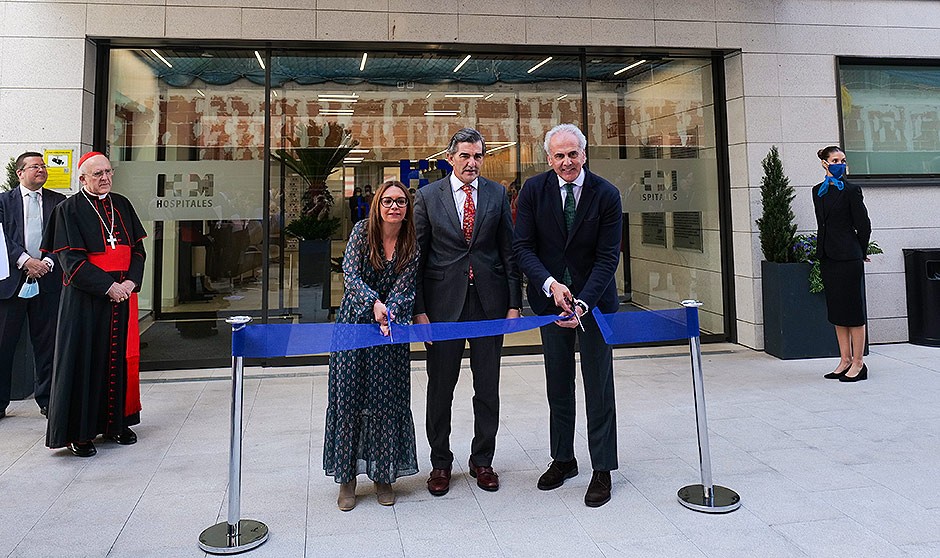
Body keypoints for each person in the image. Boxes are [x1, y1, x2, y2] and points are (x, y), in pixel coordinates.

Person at [513, 123, 623, 507]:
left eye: (572, 154)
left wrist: (582, 302)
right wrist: (551, 287)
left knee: (598, 386)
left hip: (593, 306)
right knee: (558, 386)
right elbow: (523, 248)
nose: (566, 161)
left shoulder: (606, 194)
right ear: (549, 159)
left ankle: (603, 468)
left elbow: (609, 257)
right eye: (558, 155)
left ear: (584, 154)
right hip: (551, 304)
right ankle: (563, 459)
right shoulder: (533, 191)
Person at [413, 128, 522, 496]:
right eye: (465, 156)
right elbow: (418, 258)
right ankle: (440, 463)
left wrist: (513, 303)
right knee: (441, 389)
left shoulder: (495, 193)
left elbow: (508, 251)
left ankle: (482, 460)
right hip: (443, 307)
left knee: (487, 387)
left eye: (478, 156)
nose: (472, 162)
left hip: (488, 304)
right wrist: (420, 311)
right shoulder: (428, 196)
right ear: (450, 158)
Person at [42, 152, 147, 457]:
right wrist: (108, 287)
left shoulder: (122, 204)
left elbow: (138, 250)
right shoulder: (68, 210)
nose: (105, 178)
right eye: (97, 174)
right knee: (85, 362)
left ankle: (117, 423)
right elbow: (71, 262)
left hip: (122, 295)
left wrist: (129, 283)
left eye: (108, 172)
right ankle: (81, 433)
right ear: (82, 178)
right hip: (86, 300)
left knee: (118, 361)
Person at [323, 180, 420, 511]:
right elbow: (350, 276)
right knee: (349, 400)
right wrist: (373, 305)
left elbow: (407, 286)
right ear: (378, 204)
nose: (394, 207)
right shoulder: (362, 232)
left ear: (408, 210)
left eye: (401, 202)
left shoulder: (410, 244)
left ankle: (383, 476)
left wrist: (389, 312)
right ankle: (347, 480)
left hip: (389, 335)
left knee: (385, 403)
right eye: (388, 201)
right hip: (353, 329)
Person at [0, 152, 66, 420]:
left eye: (43, 166)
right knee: (4, 344)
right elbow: (2, 238)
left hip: (47, 282)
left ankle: (48, 400)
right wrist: (26, 261)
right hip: (12, 285)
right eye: (35, 166)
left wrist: (46, 263)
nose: (41, 170)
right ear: (20, 173)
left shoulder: (58, 202)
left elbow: (62, 237)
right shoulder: (4, 201)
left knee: (47, 344)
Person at [813, 146, 872, 382]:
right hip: (829, 257)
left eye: (843, 160)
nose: (840, 163)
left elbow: (863, 224)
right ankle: (844, 359)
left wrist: (860, 250)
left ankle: (859, 363)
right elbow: (823, 225)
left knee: (853, 311)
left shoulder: (851, 190)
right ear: (825, 164)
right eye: (835, 160)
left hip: (849, 257)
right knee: (837, 310)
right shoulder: (818, 191)